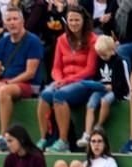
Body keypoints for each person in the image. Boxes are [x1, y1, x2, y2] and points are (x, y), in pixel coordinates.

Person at [0, 6, 44, 152]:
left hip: (28, 84)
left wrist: (6, 83)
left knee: (4, 91)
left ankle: (3, 137)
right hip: (6, 82)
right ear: (5, 23)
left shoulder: (33, 41)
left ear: (22, 21)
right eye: (9, 20)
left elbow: (30, 73)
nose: (12, 23)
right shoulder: (3, 42)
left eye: (15, 19)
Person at [36, 5, 98, 153]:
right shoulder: (62, 40)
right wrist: (58, 79)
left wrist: (66, 82)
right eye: (71, 20)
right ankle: (44, 137)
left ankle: (63, 141)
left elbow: (90, 70)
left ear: (83, 21)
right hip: (63, 81)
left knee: (59, 95)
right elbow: (56, 67)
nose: (74, 23)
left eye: (77, 20)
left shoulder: (93, 40)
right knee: (45, 95)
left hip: (82, 82)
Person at [77, 35, 130, 148]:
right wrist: (96, 85)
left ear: (112, 50)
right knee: (91, 104)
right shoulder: (99, 60)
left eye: (105, 54)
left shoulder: (120, 61)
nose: (103, 57)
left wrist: (113, 88)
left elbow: (124, 82)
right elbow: (97, 77)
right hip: (102, 88)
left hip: (117, 91)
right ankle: (86, 133)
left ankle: (98, 126)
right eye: (100, 55)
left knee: (105, 101)